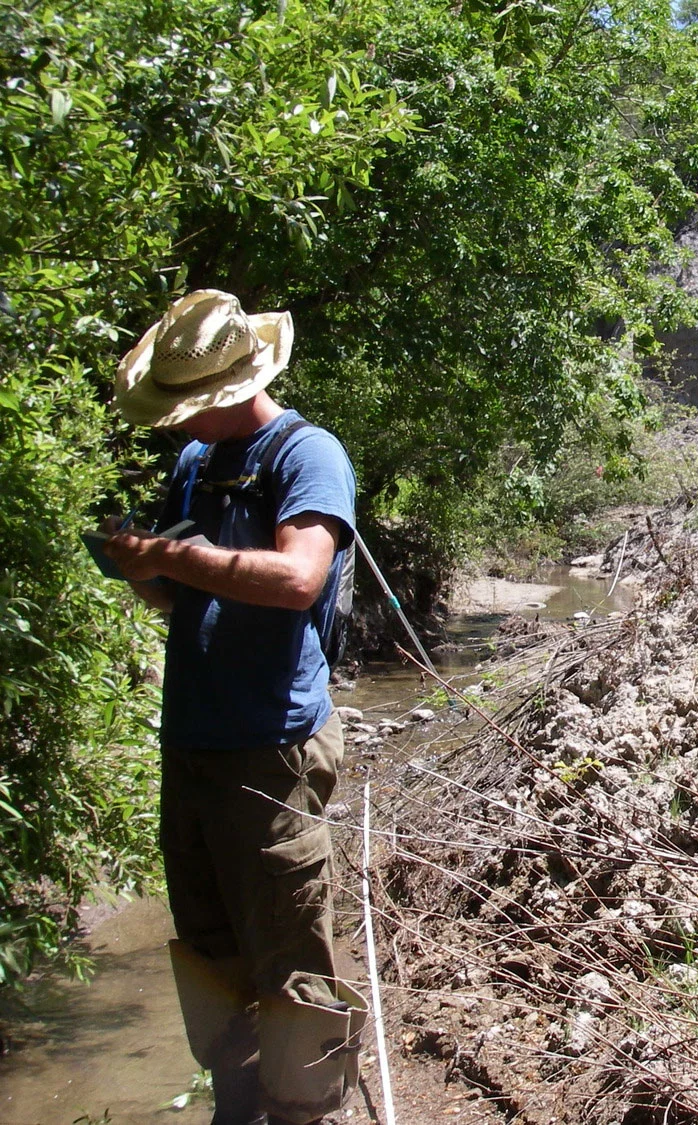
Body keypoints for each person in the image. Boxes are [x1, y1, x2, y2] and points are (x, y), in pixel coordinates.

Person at [104, 289, 364, 1125]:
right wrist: (141, 566)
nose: (176, 423)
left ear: (230, 389)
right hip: (193, 745)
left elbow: (299, 579)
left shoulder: (307, 454)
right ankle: (237, 1105)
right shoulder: (195, 462)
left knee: (292, 963)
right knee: (211, 955)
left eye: (186, 406)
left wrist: (173, 559)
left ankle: (302, 1111)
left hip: (272, 751)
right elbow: (179, 596)